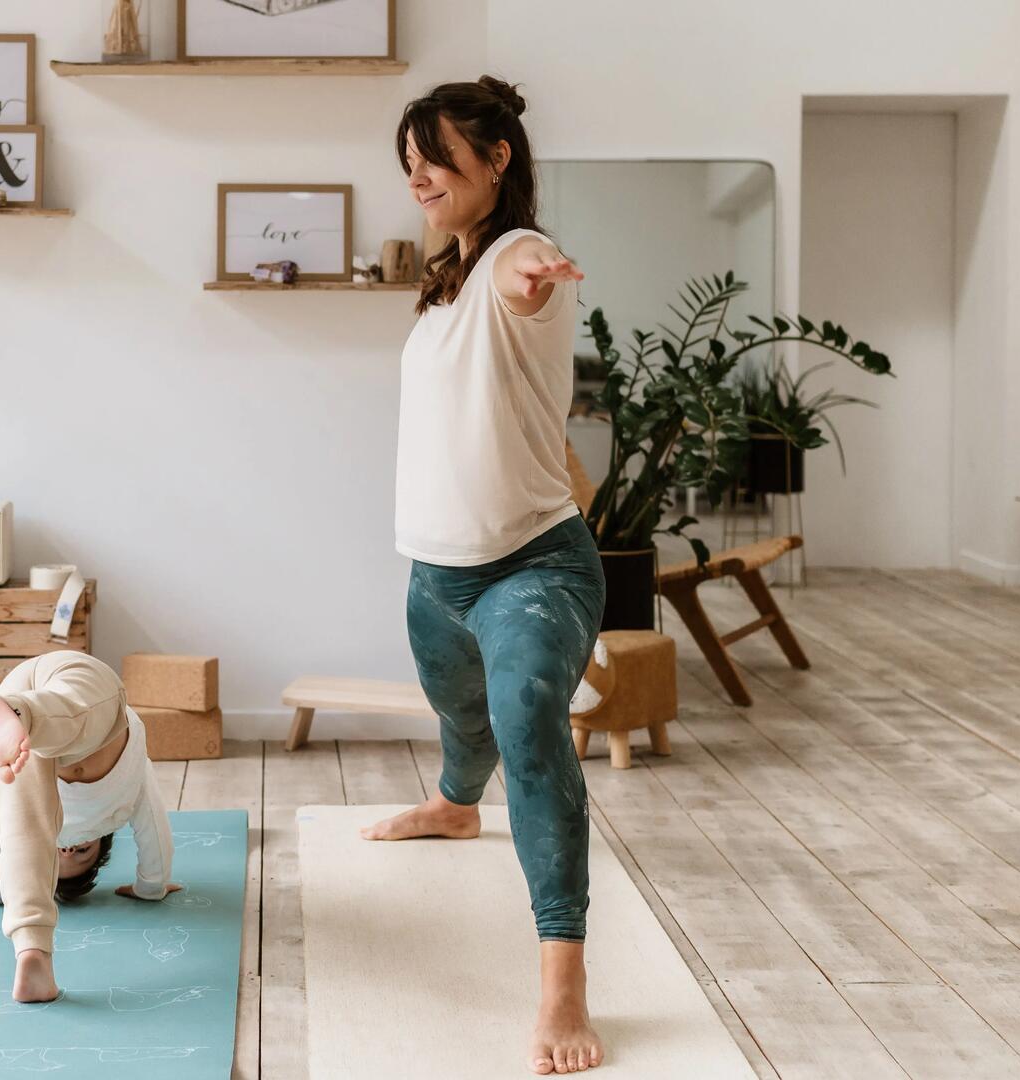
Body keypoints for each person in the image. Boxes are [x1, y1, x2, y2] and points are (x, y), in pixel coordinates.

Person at [360, 75, 607, 1075]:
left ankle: (563, 983)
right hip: (435, 576)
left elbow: (532, 270)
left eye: (436, 154)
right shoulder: (446, 284)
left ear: (496, 160)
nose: (417, 173)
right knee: (462, 720)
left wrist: (536, 274)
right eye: (407, 159)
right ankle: (456, 806)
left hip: (533, 569)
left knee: (528, 724)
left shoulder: (510, 258)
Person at [0, 650, 180, 1003]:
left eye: (60, 852)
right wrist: (151, 886)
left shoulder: (43, 823)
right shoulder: (120, 806)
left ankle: (31, 949)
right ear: (102, 842)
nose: (67, 847)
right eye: (80, 851)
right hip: (72, 693)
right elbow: (153, 829)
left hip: (27, 703)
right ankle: (21, 713)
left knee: (22, 831)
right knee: (82, 718)